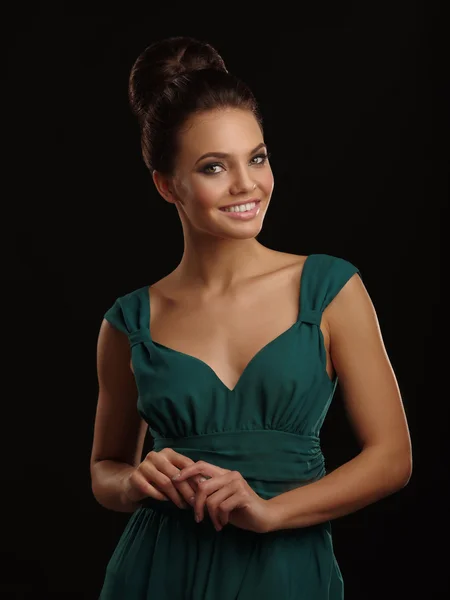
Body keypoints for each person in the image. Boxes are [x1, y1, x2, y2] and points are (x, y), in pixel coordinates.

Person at [90, 36, 412, 599]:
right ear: (167, 186)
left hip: (286, 573)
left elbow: (392, 459)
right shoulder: (128, 322)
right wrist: (135, 482)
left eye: (257, 157)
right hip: (156, 574)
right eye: (215, 166)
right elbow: (105, 469)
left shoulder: (330, 288)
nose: (247, 184)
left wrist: (272, 513)